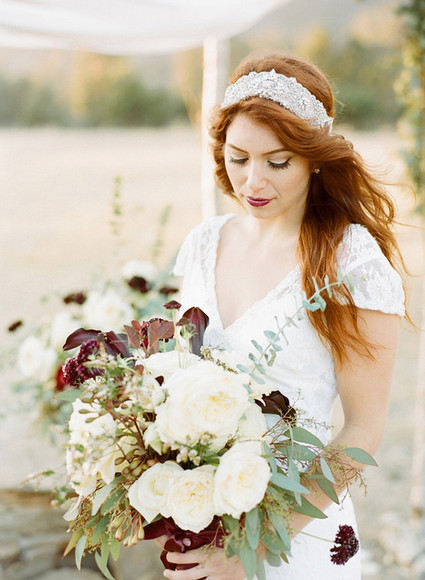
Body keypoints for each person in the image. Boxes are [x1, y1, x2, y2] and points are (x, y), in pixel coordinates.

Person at [161, 51, 406, 579]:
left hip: (298, 539)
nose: (253, 182)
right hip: (204, 530)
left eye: (277, 163)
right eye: (238, 158)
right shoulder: (205, 242)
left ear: (314, 158)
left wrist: (256, 547)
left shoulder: (351, 262)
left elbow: (363, 430)